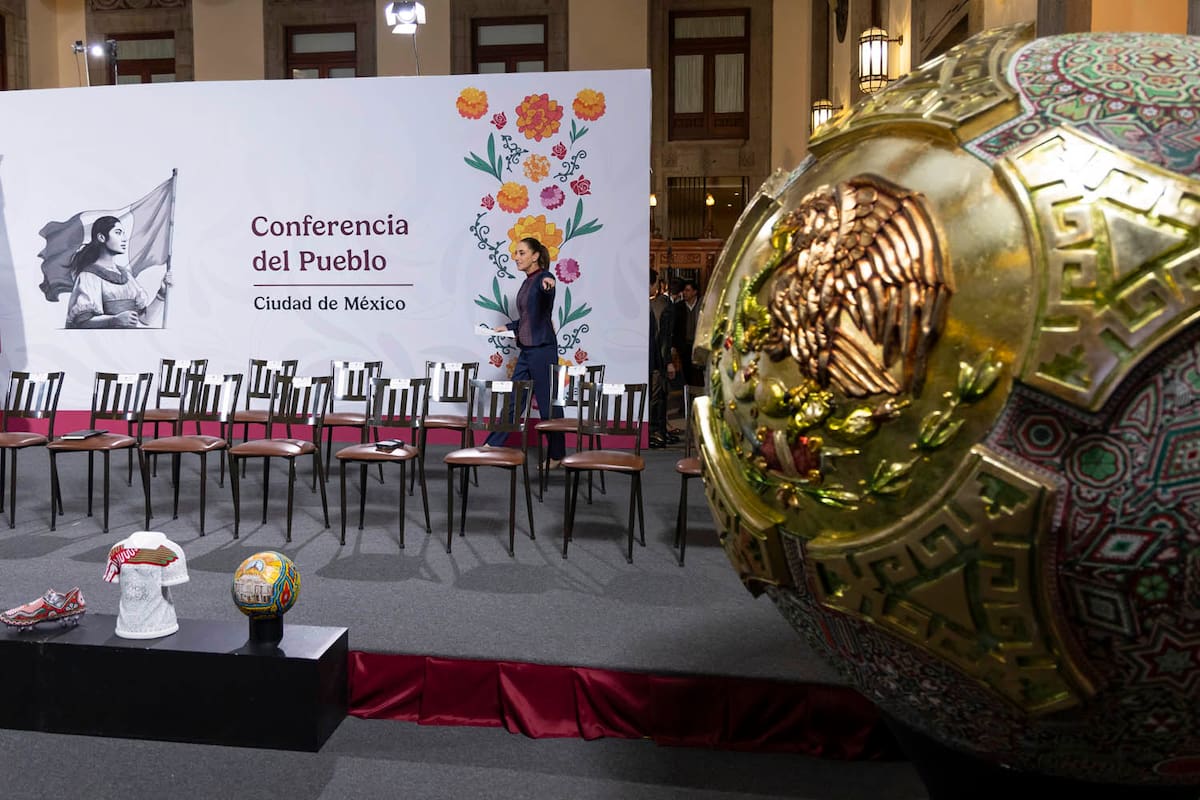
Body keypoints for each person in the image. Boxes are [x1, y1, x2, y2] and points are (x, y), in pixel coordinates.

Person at [487, 237, 564, 464]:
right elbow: (529, 317)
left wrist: (549, 285)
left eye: (521, 253)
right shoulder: (527, 281)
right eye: (516, 253)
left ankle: (557, 455)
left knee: (548, 405)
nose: (516, 257)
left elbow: (548, 287)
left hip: (543, 350)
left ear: (535, 256)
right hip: (528, 350)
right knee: (514, 400)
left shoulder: (543, 278)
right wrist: (509, 327)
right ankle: (493, 444)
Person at [64, 215, 170, 329]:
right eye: (118, 233)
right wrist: (114, 320)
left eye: (123, 233)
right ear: (101, 237)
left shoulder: (126, 275)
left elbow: (145, 319)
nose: (124, 238)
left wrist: (161, 294)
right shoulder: (88, 276)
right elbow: (82, 322)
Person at [649, 269, 676, 448]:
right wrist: (667, 362)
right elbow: (663, 338)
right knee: (657, 396)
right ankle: (655, 432)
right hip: (656, 358)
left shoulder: (653, 304)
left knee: (656, 395)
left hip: (651, 357)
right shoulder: (662, 305)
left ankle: (659, 431)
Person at [673, 279, 704, 387]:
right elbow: (675, 329)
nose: (684, 293)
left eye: (688, 290)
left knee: (699, 373)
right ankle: (688, 396)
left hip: (698, 345)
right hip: (684, 346)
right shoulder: (679, 307)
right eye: (684, 291)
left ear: (695, 292)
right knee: (686, 374)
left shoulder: (702, 306)